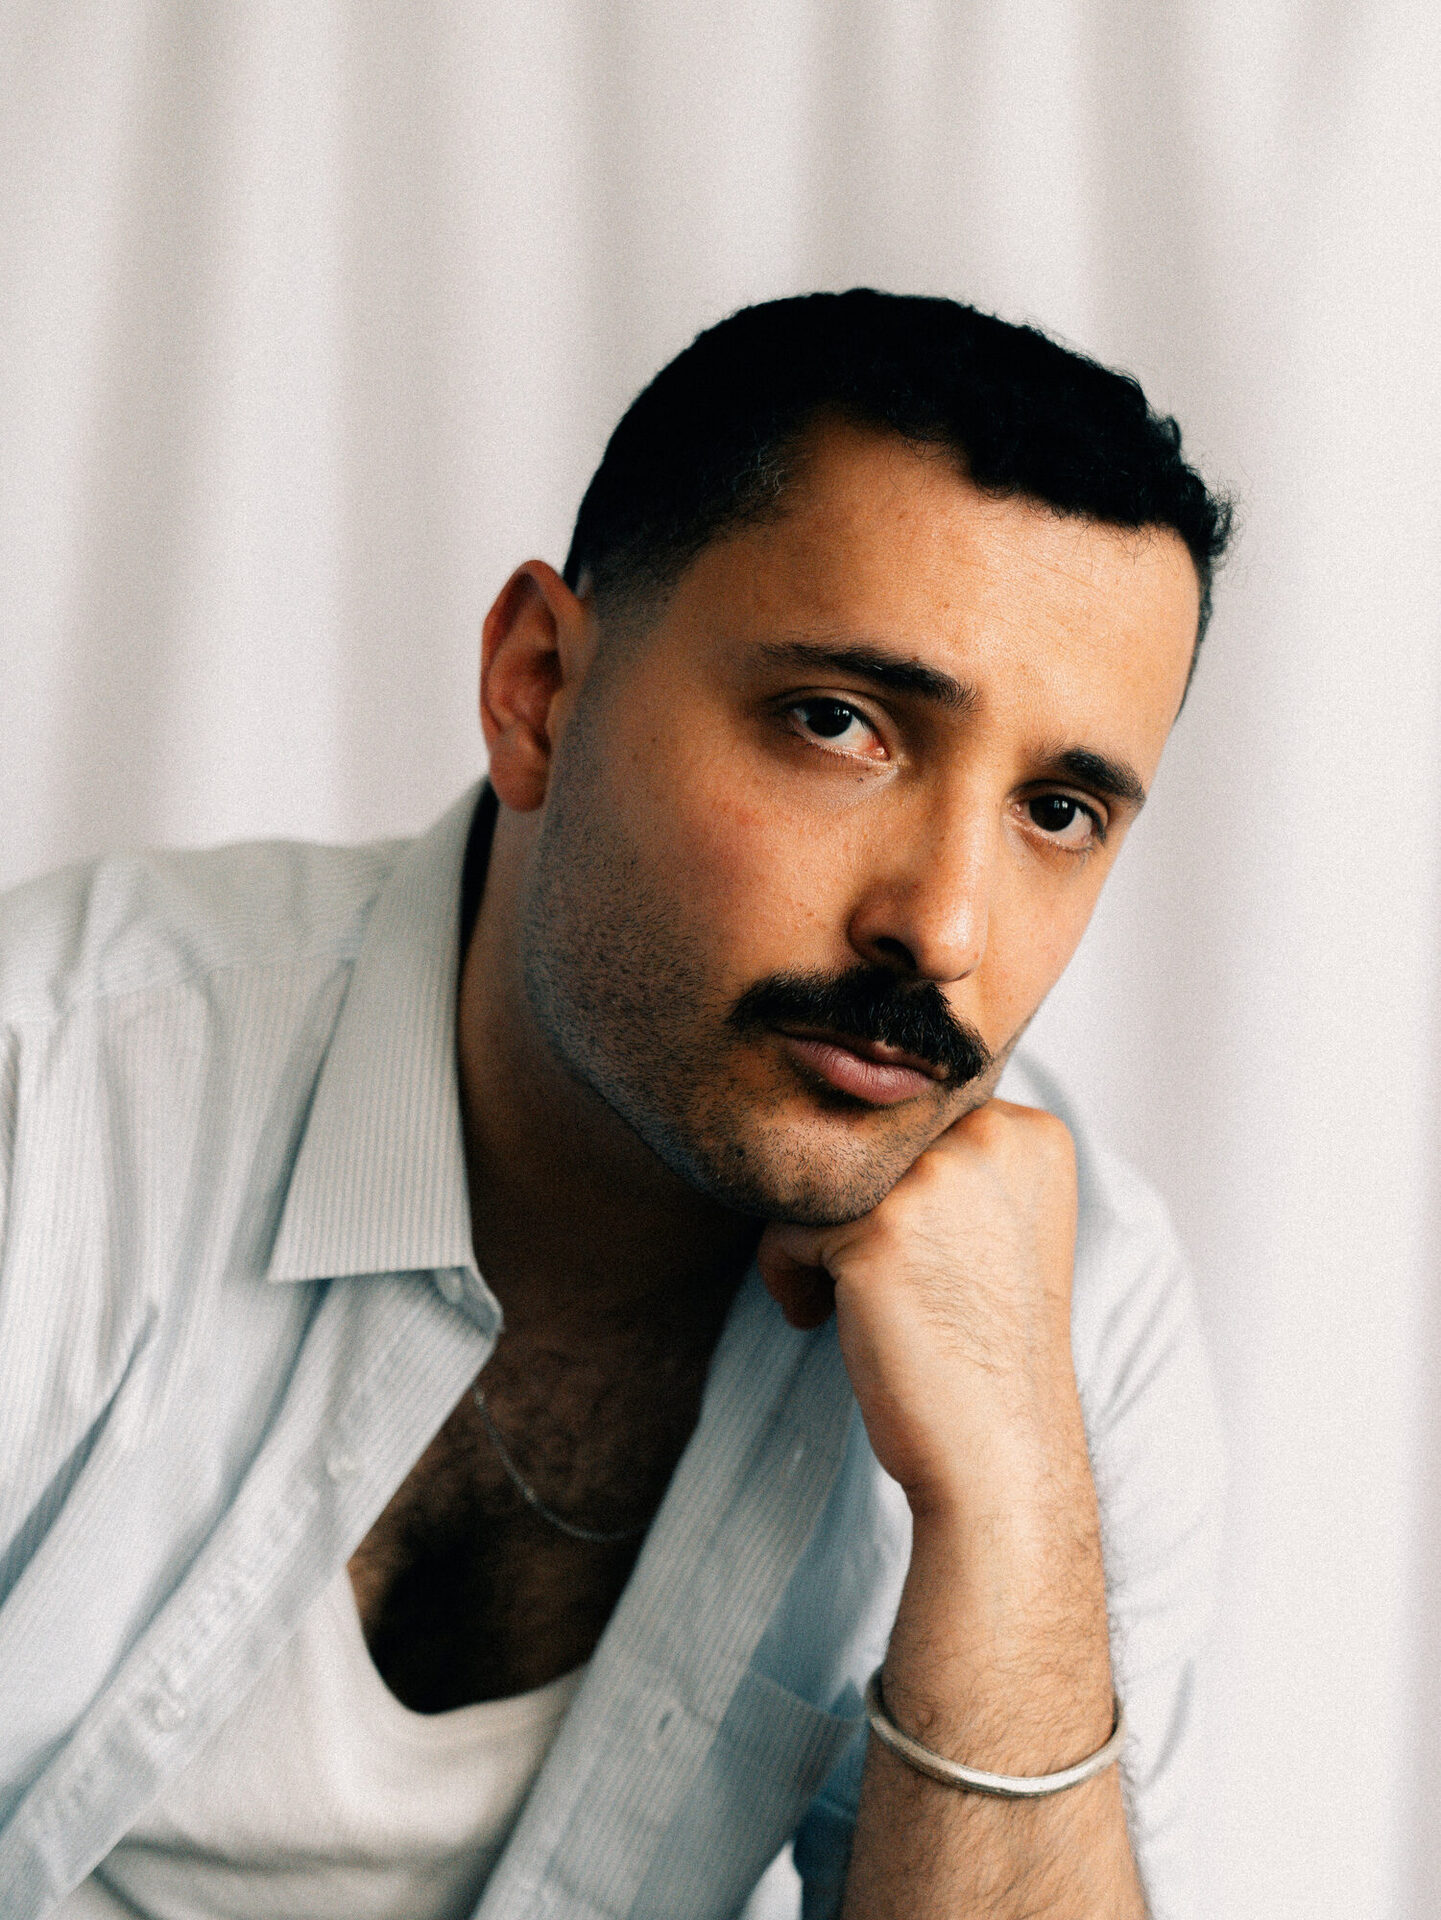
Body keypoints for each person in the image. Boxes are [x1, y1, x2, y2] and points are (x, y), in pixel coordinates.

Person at [0, 290, 1230, 1920]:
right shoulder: (51, 1097)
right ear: (537, 689)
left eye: (1057, 810)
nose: (941, 926)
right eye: (838, 725)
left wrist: (1002, 1515)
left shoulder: (1072, 1318)